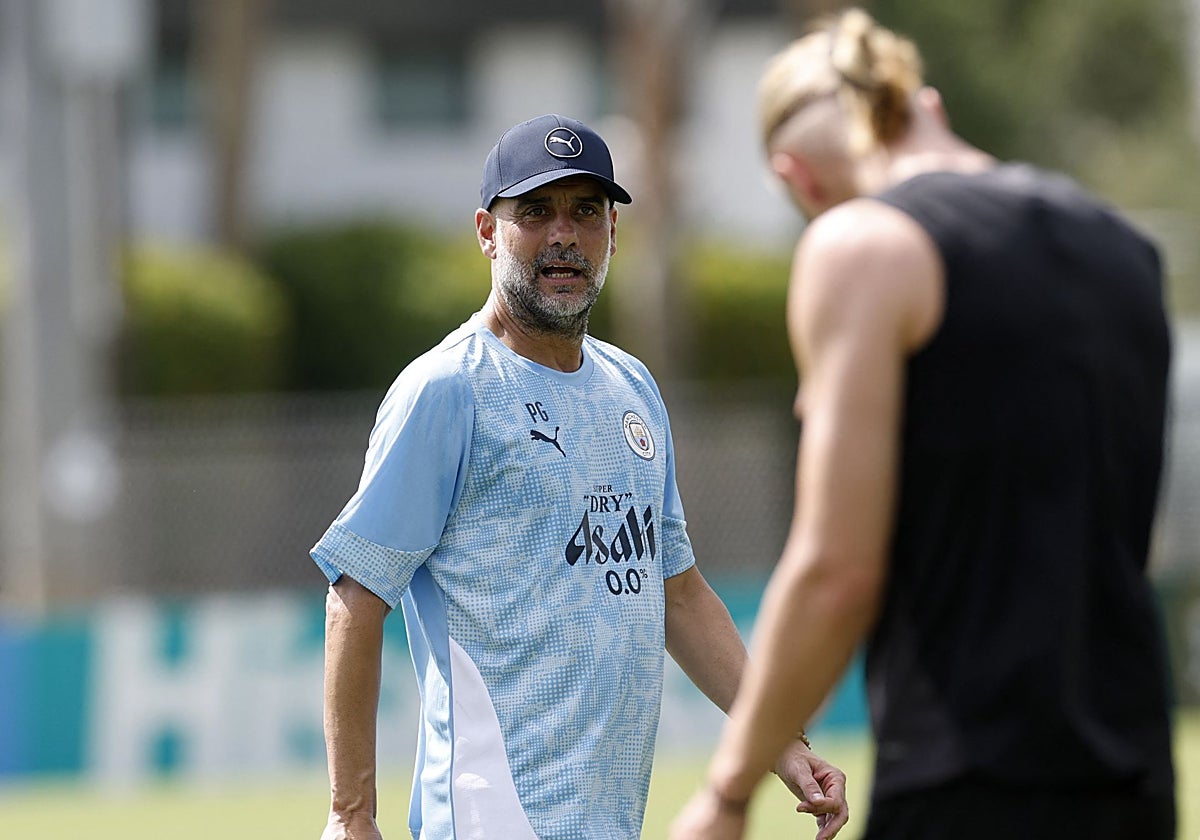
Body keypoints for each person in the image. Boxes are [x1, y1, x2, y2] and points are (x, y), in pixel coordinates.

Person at [671, 8, 1176, 840]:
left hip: (967, 780)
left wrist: (727, 794)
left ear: (798, 178)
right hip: (1135, 783)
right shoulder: (1125, 250)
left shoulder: (862, 249)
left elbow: (837, 571)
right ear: (928, 104)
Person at [312, 113, 848, 840]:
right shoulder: (447, 390)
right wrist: (352, 817)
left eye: (586, 211)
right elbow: (356, 596)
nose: (564, 234)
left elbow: (678, 593)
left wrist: (779, 742)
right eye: (535, 211)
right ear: (486, 231)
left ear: (613, 235)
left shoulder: (632, 387)